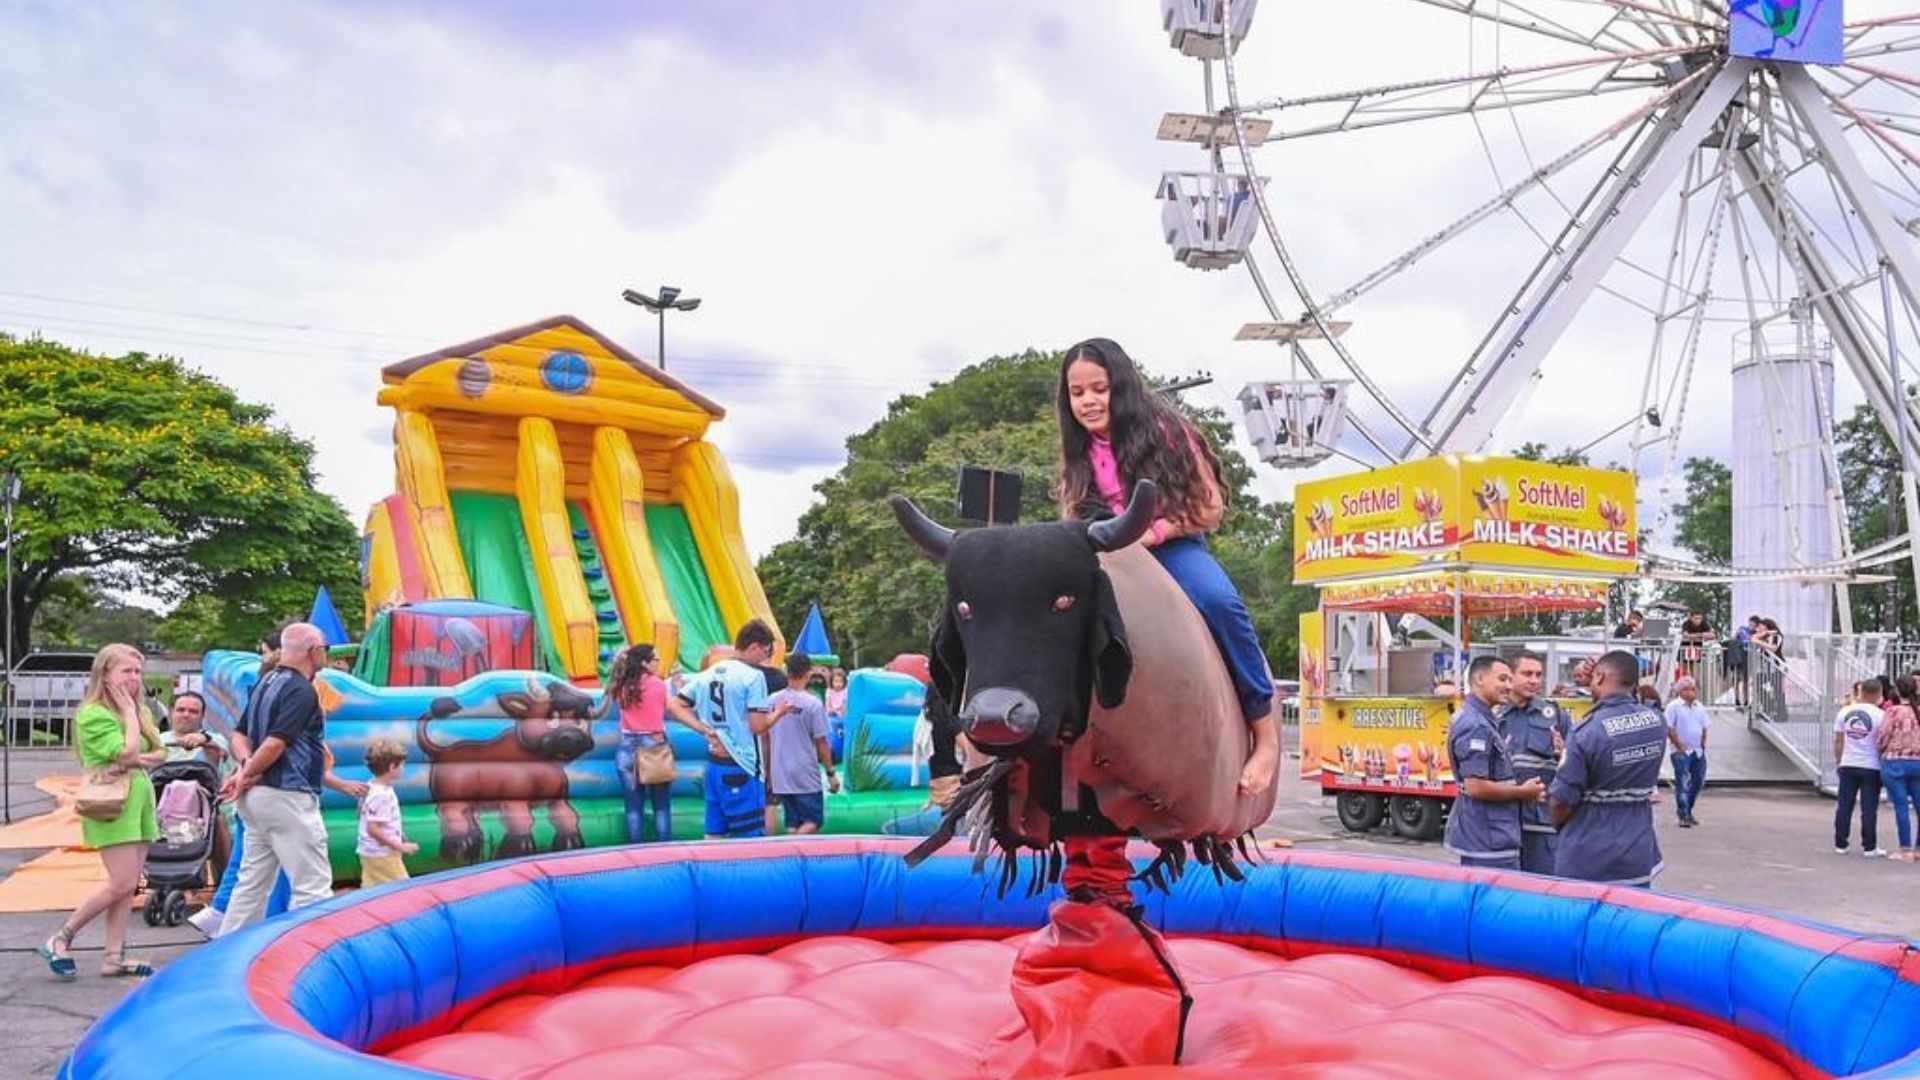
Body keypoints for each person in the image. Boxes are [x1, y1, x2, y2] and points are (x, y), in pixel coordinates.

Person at [1054, 337, 1279, 796]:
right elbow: (1072, 516)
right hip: (1108, 553)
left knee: (1220, 603)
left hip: (1170, 546)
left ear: (1121, 385)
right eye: (1078, 394)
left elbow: (1209, 506)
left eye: (1100, 388)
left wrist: (1152, 533)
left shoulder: (1167, 430)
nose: (1090, 401)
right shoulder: (1077, 451)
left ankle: (1266, 735)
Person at [40, 644, 168, 980]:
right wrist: (128, 720)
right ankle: (61, 937)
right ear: (105, 674)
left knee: (128, 886)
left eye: (138, 671)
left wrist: (134, 752)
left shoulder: (141, 712)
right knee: (121, 881)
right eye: (127, 671)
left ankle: (114, 956)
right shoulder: (94, 714)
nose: (134, 678)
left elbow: (160, 751)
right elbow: (125, 752)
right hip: (111, 803)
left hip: (139, 798)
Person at [218, 623, 340, 933]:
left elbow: (239, 734)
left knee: (251, 884)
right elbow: (275, 743)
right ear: (313, 652)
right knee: (312, 886)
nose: (326, 654)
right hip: (288, 794)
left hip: (257, 800)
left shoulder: (266, 682)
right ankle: (312, 953)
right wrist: (248, 772)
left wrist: (245, 767)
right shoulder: (301, 690)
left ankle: (227, 951)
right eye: (324, 649)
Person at [1550, 650, 1666, 887]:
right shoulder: (1657, 722)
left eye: (1593, 679)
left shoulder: (1586, 731)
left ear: (1600, 676)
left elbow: (1561, 801)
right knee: (1630, 919)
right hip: (1638, 851)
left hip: (1589, 856)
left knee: (1583, 922)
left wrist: (1558, 825)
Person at [665, 620, 779, 839]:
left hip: (714, 767)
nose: (765, 659)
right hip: (742, 766)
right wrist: (778, 713)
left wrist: (703, 729)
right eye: (765, 652)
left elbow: (674, 704)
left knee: (713, 837)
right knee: (750, 839)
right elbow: (757, 726)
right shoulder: (753, 677)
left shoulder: (709, 673)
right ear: (754, 647)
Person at [1442, 656, 1542, 870]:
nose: (1509, 685)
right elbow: (1476, 787)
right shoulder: (1476, 725)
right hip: (1488, 839)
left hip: (1490, 834)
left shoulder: (1482, 719)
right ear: (1480, 679)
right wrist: (1524, 792)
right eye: (1503, 679)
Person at [1497, 650, 1570, 874]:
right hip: (1501, 820)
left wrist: (1562, 754)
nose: (1534, 680)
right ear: (1510, 676)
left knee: (1542, 890)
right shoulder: (1493, 714)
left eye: (1538, 675)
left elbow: (1574, 761)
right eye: (1527, 674)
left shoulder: (1554, 714)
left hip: (1541, 822)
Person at [767, 651, 841, 834]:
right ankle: (788, 850)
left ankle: (792, 856)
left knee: (792, 823)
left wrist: (769, 770)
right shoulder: (812, 704)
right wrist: (831, 773)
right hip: (804, 772)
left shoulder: (772, 700)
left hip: (780, 770)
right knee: (813, 820)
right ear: (808, 673)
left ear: (787, 672)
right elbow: (822, 742)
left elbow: (765, 736)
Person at [607, 644, 673, 844]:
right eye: (656, 659)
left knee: (633, 808)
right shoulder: (659, 684)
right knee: (661, 807)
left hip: (627, 747)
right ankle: (664, 850)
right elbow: (666, 708)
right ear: (645, 663)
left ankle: (637, 853)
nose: (659, 663)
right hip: (653, 746)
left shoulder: (622, 685)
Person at [1834, 679, 1889, 858]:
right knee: (1869, 807)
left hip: (1848, 762)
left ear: (1861, 692)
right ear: (1878, 693)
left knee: (1844, 805)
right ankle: (1869, 846)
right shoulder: (1881, 715)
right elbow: (1883, 742)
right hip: (1871, 765)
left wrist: (1839, 761)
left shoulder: (1844, 712)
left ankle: (1841, 843)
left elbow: (1839, 741)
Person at [356, 737, 417, 885]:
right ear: (392, 767)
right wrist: (399, 846)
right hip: (383, 854)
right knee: (401, 889)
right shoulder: (381, 794)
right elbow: (373, 829)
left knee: (372, 888)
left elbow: (362, 814)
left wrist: (397, 833)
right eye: (402, 765)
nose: (403, 769)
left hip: (370, 852)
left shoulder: (371, 786)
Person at [1876, 676, 1920, 861]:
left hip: (1895, 762)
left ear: (1898, 691)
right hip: (1917, 762)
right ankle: (1918, 849)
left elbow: (1883, 736)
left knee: (1901, 807)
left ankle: (1906, 849)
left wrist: (1881, 748)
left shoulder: (1893, 711)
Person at [1665, 676, 1709, 827]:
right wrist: (1679, 746)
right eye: (1690, 688)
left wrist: (1703, 745)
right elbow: (1669, 728)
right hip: (1681, 752)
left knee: (1698, 782)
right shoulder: (1673, 706)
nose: (1693, 691)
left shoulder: (1699, 707)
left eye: (1694, 688)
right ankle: (1683, 815)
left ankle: (1688, 811)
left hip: (1697, 751)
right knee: (1682, 783)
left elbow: (1704, 727)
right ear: (1681, 691)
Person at [160, 690, 228, 770]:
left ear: (202, 716)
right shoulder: (159, 739)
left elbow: (222, 752)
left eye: (193, 711)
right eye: (181, 710)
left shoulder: (216, 738)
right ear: (171, 713)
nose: (186, 715)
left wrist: (204, 739)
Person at [1726, 617, 1757, 708]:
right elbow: (1736, 638)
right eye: (1751, 624)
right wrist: (1736, 636)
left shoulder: (1756, 633)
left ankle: (1746, 700)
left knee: (1746, 680)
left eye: (1754, 625)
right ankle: (1736, 699)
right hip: (1738, 657)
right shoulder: (1742, 629)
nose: (1752, 626)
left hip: (1748, 658)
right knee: (1737, 678)